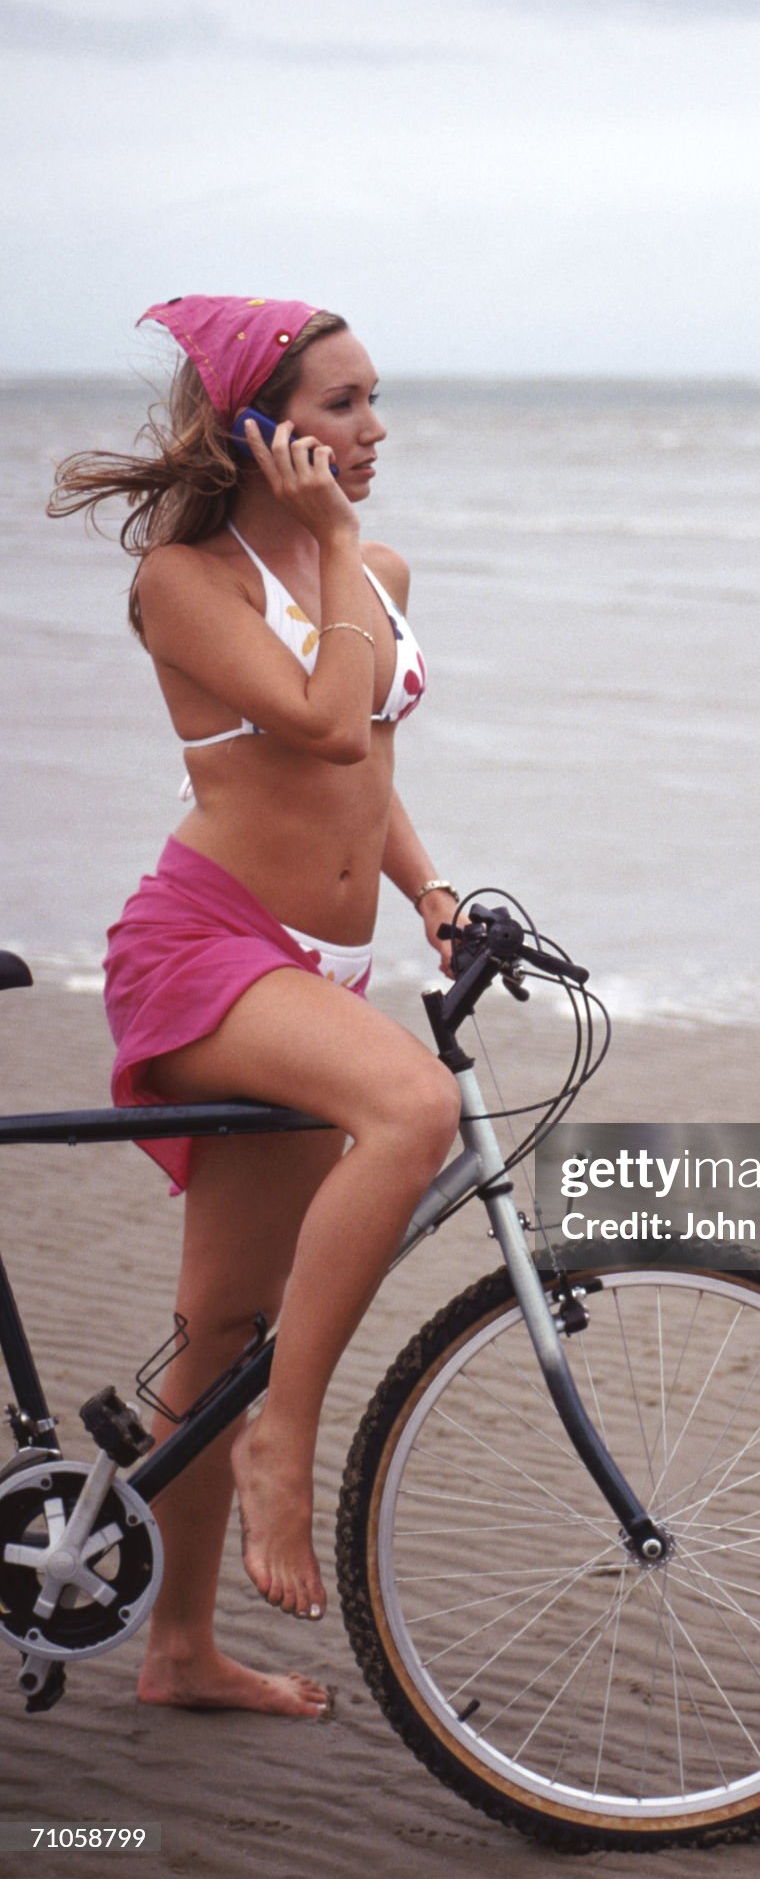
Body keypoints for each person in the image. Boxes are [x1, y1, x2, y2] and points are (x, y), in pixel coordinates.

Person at [48, 296, 463, 1720]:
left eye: (372, 400)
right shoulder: (186, 579)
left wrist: (427, 891)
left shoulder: (379, 566)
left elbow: (370, 774)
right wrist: (339, 549)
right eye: (342, 406)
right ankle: (292, 1445)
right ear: (262, 429)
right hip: (209, 944)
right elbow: (320, 721)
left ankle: (176, 1655)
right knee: (416, 1104)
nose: (373, 430)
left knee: (219, 1321)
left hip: (323, 956)